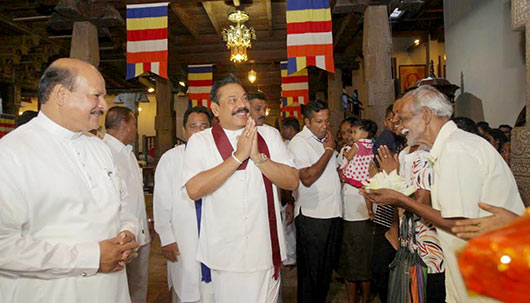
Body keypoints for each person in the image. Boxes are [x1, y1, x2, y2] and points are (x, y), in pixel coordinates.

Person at [362, 85, 525, 303]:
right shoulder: (449, 147)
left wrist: (399, 198)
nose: (401, 128)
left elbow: (459, 223)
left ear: (426, 115)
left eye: (405, 119)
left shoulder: (456, 150)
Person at [0, 58, 139, 302]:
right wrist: (91, 257)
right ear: (61, 94)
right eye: (95, 96)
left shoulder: (99, 147)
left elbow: (123, 205)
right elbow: (4, 247)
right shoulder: (12, 153)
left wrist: (127, 231)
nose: (103, 106)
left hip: (112, 290)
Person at [182, 75, 299, 303]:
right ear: (215, 108)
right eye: (232, 100)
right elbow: (194, 189)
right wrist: (238, 156)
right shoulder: (201, 142)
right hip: (225, 254)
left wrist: (257, 157)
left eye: (244, 98)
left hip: (264, 248)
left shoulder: (269, 135)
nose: (242, 105)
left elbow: (292, 181)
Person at [154, 106, 215, 303]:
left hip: (214, 236)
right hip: (183, 238)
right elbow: (162, 201)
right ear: (184, 131)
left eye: (204, 126)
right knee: (186, 286)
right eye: (193, 126)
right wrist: (166, 237)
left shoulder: (220, 158)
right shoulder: (171, 159)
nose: (198, 131)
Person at [288, 100, 342, 302]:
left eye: (327, 121)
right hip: (313, 216)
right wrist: (329, 151)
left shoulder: (326, 140)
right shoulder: (299, 142)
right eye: (319, 121)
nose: (325, 126)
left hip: (332, 213)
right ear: (307, 121)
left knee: (325, 272)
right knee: (311, 274)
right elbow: (307, 178)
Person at [103, 106, 153, 303]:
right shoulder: (103, 152)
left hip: (139, 232)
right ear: (124, 124)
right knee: (118, 290)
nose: (135, 129)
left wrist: (145, 220)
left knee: (139, 285)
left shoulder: (129, 153)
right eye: (134, 124)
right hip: (119, 237)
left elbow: (135, 195)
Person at [336, 117, 376, 303]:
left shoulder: (364, 151)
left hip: (360, 213)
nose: (349, 136)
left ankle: (365, 298)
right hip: (346, 212)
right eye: (345, 133)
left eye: (352, 131)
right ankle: (352, 299)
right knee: (349, 259)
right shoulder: (344, 152)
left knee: (362, 259)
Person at [280, 117, 301, 268]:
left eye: (284, 128)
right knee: (288, 226)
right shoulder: (288, 144)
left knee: (290, 226)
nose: (282, 131)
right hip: (292, 190)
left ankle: (291, 257)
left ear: (289, 128)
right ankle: (289, 256)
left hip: (294, 189)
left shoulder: (295, 144)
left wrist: (289, 199)